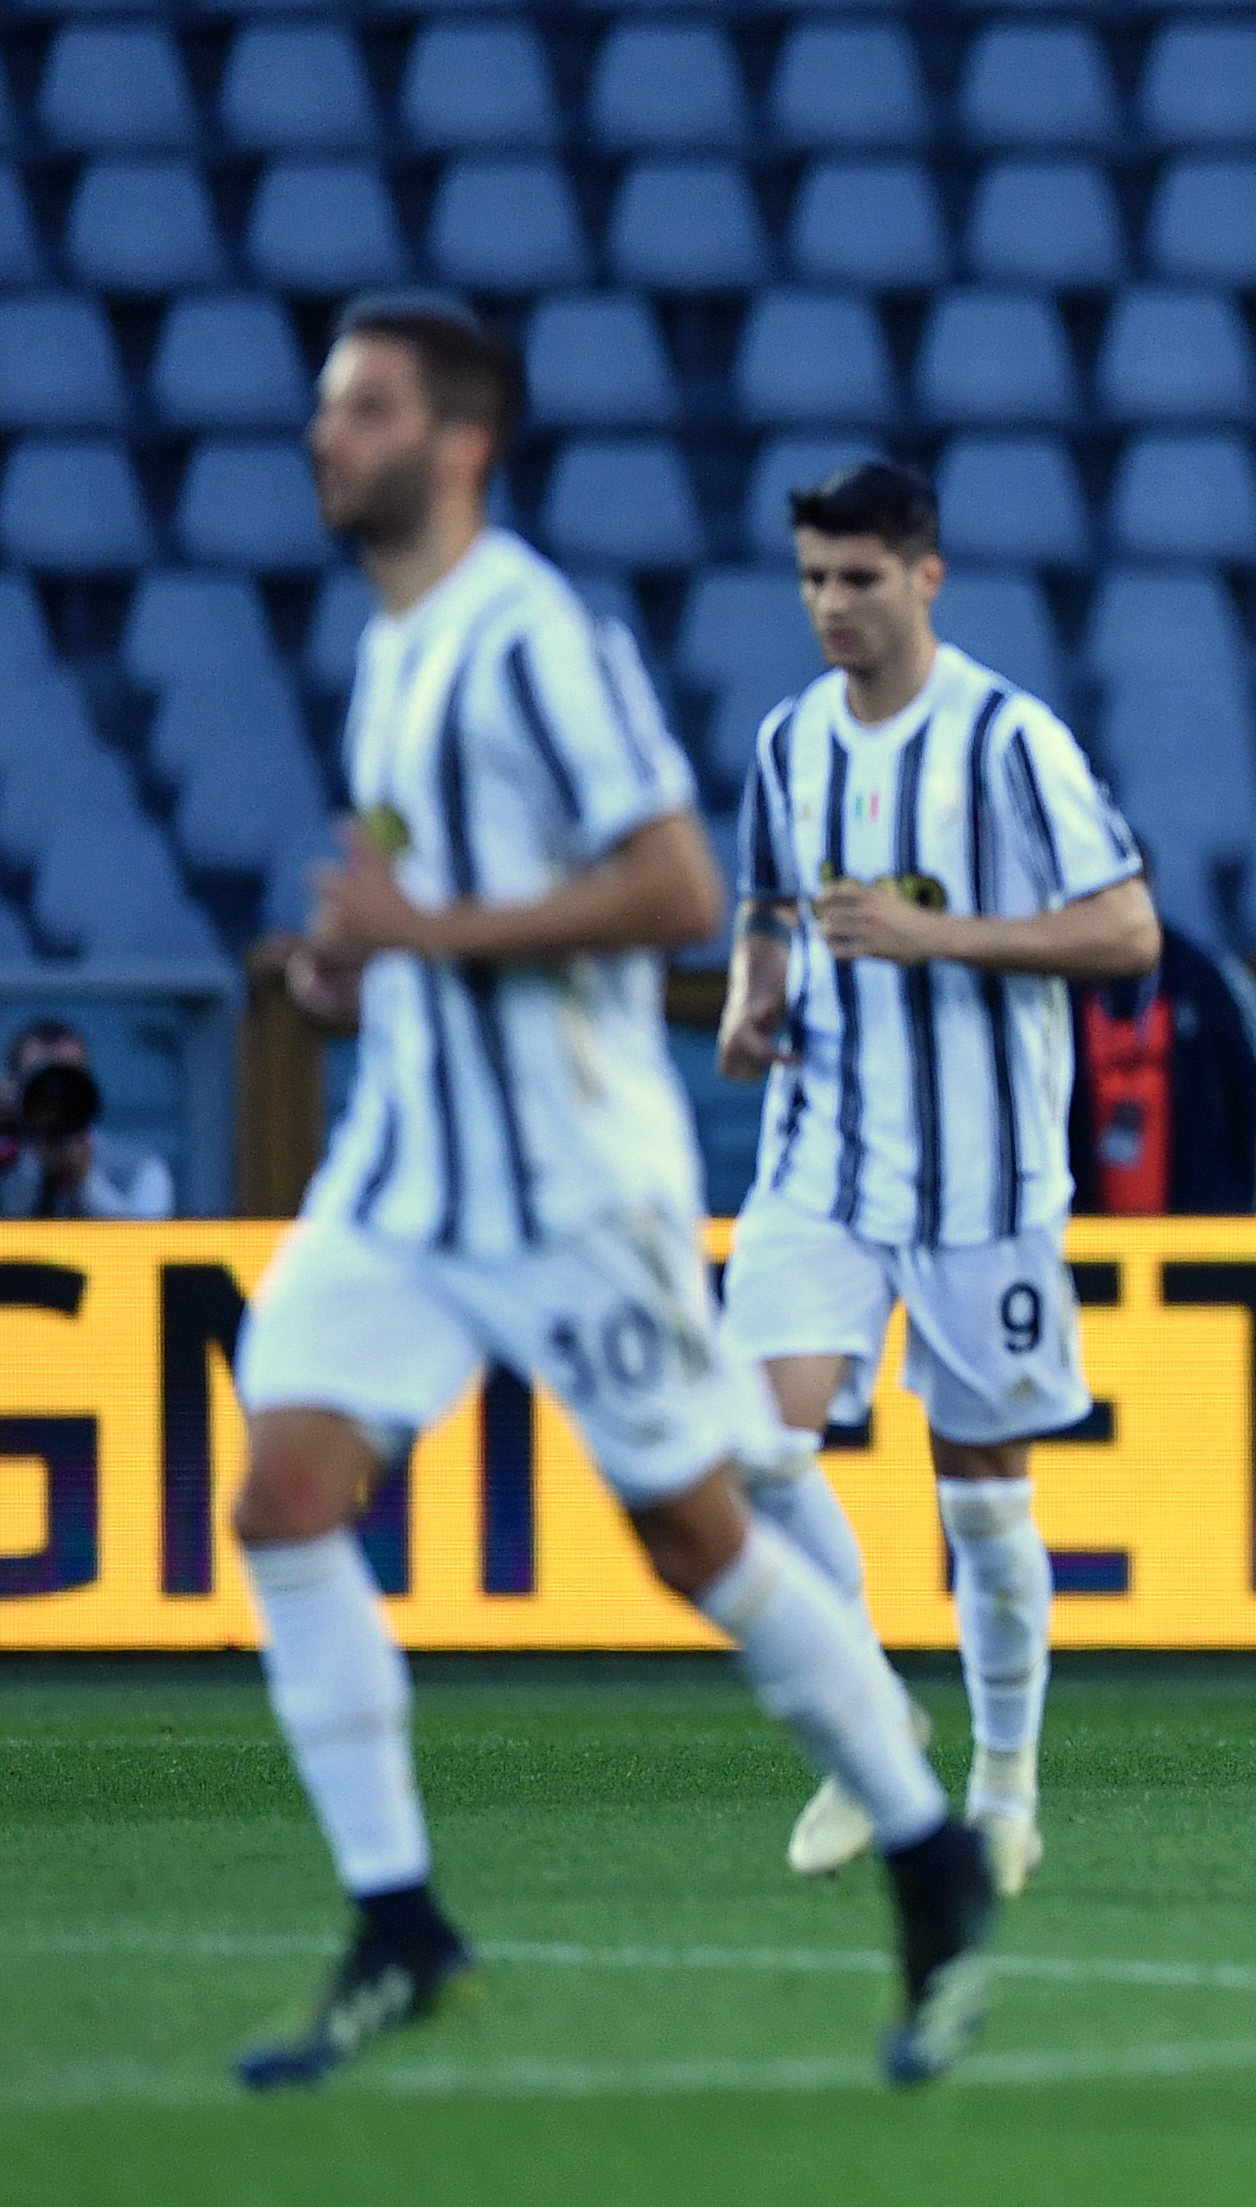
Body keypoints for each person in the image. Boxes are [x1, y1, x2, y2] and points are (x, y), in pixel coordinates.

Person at [226, 298, 995, 2092]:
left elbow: (668, 884)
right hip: (410, 1172)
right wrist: (366, 971)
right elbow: (440, 890)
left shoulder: (528, 636)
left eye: (364, 409)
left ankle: (923, 1846)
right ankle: (400, 1920)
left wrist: (432, 935)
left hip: (571, 1181)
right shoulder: (392, 647)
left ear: (458, 441)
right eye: (327, 408)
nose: (326, 436)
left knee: (693, 1539)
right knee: (278, 1494)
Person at [715, 459, 1161, 1902]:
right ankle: (870, 1730)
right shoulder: (787, 744)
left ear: (924, 576)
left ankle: (1007, 1787)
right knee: (747, 1453)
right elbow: (770, 908)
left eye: (856, 577)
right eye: (810, 579)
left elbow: (1128, 933)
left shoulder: (1009, 741)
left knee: (983, 1492)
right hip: (820, 1165)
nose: (829, 605)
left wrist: (942, 938)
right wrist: (752, 994)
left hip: (986, 1183)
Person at [0, 1020, 174, 1219]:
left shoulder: (138, 1169)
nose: (54, 1097)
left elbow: (145, 1250)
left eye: (66, 1080)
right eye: (41, 1081)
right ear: (11, 1086)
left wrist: (83, 1182)